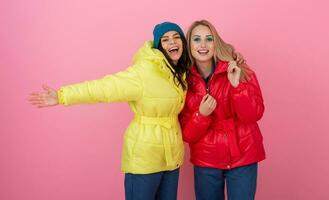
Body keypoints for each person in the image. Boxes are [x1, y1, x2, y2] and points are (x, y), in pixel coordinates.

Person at [29, 22, 190, 200]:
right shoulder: (142, 73)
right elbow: (104, 88)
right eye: (165, 39)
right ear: (158, 46)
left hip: (172, 156)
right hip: (144, 156)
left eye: (176, 37)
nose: (172, 42)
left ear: (183, 41)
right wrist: (62, 95)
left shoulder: (179, 72)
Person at [179, 20, 266, 200]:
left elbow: (253, 115)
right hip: (206, 160)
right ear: (189, 45)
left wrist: (237, 87)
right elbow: (187, 135)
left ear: (215, 43)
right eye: (196, 39)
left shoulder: (238, 69)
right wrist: (200, 115)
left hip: (244, 155)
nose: (203, 45)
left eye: (208, 39)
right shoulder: (183, 82)